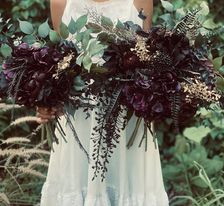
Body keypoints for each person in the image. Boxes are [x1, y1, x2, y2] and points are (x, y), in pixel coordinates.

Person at [38, 0, 169, 205]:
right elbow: (60, 67)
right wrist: (47, 99)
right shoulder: (61, 2)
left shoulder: (139, 1)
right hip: (80, 122)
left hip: (128, 121)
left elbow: (146, 61)